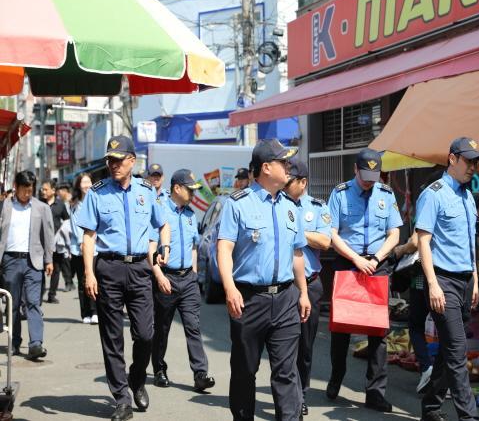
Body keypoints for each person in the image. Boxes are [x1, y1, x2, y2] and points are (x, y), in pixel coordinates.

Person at [77, 135, 171, 421]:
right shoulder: (97, 192)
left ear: (132, 161)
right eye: (109, 160)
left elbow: (163, 223)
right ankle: (121, 398)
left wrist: (164, 247)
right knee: (112, 337)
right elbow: (88, 238)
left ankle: (138, 378)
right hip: (108, 268)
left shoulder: (146, 190)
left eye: (118, 160)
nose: (113, 165)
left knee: (145, 334)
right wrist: (89, 273)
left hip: (140, 269)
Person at [217, 139, 310, 421]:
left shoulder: (290, 207)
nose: (289, 166)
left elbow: (297, 254)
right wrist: (230, 288)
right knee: (245, 371)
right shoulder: (237, 204)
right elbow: (224, 248)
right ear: (266, 167)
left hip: (285, 299)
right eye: (284, 162)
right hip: (249, 300)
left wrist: (303, 292)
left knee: (286, 371)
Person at [326, 147, 401, 412]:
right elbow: (332, 234)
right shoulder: (340, 193)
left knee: (378, 331)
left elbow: (394, 233)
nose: (370, 181)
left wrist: (377, 259)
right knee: (342, 327)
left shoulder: (386, 192)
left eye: (374, 175)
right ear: (355, 170)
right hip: (349, 261)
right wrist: (356, 259)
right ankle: (336, 377)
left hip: (377, 264)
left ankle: (375, 392)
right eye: (365, 175)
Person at [416, 137, 479, 421]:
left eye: (476, 162)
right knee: (457, 353)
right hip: (443, 281)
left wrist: (476, 278)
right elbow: (423, 240)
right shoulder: (434, 193)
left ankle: (431, 406)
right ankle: (469, 417)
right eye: (468, 161)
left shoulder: (468, 195)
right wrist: (432, 284)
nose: (472, 167)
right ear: (452, 159)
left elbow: (470, 243)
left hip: (465, 281)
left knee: (448, 348)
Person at [150, 169, 215, 392]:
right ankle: (159, 368)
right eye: (190, 189)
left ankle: (200, 374)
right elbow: (149, 246)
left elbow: (194, 245)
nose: (193, 194)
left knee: (193, 327)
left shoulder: (190, 214)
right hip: (165, 279)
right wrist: (158, 275)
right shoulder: (159, 210)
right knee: (162, 328)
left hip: (187, 279)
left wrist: (194, 273)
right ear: (177, 188)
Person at [284, 157, 331, 416]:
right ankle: (287, 395)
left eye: (290, 181)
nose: (284, 184)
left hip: (310, 286)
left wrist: (296, 229)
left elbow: (325, 241)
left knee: (305, 345)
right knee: (282, 344)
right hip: (281, 286)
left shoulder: (316, 207)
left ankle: (301, 393)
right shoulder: (276, 204)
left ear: (302, 183)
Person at [0, 170, 54, 359]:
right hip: (10, 261)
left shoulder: (41, 208)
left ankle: (36, 344)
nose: (27, 193)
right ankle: (14, 342)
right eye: (24, 190)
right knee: (12, 305)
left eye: (30, 190)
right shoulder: (4, 206)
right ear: (16, 187)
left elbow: (48, 236)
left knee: (33, 302)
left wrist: (49, 260)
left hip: (34, 262)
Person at [393, 232, 433, 392]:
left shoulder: (427, 208)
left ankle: (427, 368)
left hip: (422, 281)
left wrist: (401, 249)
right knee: (447, 330)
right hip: (448, 280)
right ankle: (446, 376)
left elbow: (416, 242)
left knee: (416, 326)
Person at [69, 173, 98, 325]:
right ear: (78, 185)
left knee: (93, 278)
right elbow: (74, 224)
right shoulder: (75, 204)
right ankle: (85, 313)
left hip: (95, 247)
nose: (86, 185)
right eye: (83, 182)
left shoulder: (96, 199)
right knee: (82, 281)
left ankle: (94, 311)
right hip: (78, 248)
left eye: (88, 182)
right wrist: (82, 241)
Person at [40, 179, 72, 299]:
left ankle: (52, 294)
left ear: (53, 190)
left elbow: (67, 220)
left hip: (56, 243)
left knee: (56, 269)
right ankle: (39, 296)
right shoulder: (39, 203)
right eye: (42, 189)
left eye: (46, 189)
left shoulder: (60, 205)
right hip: (41, 243)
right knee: (40, 270)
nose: (43, 191)